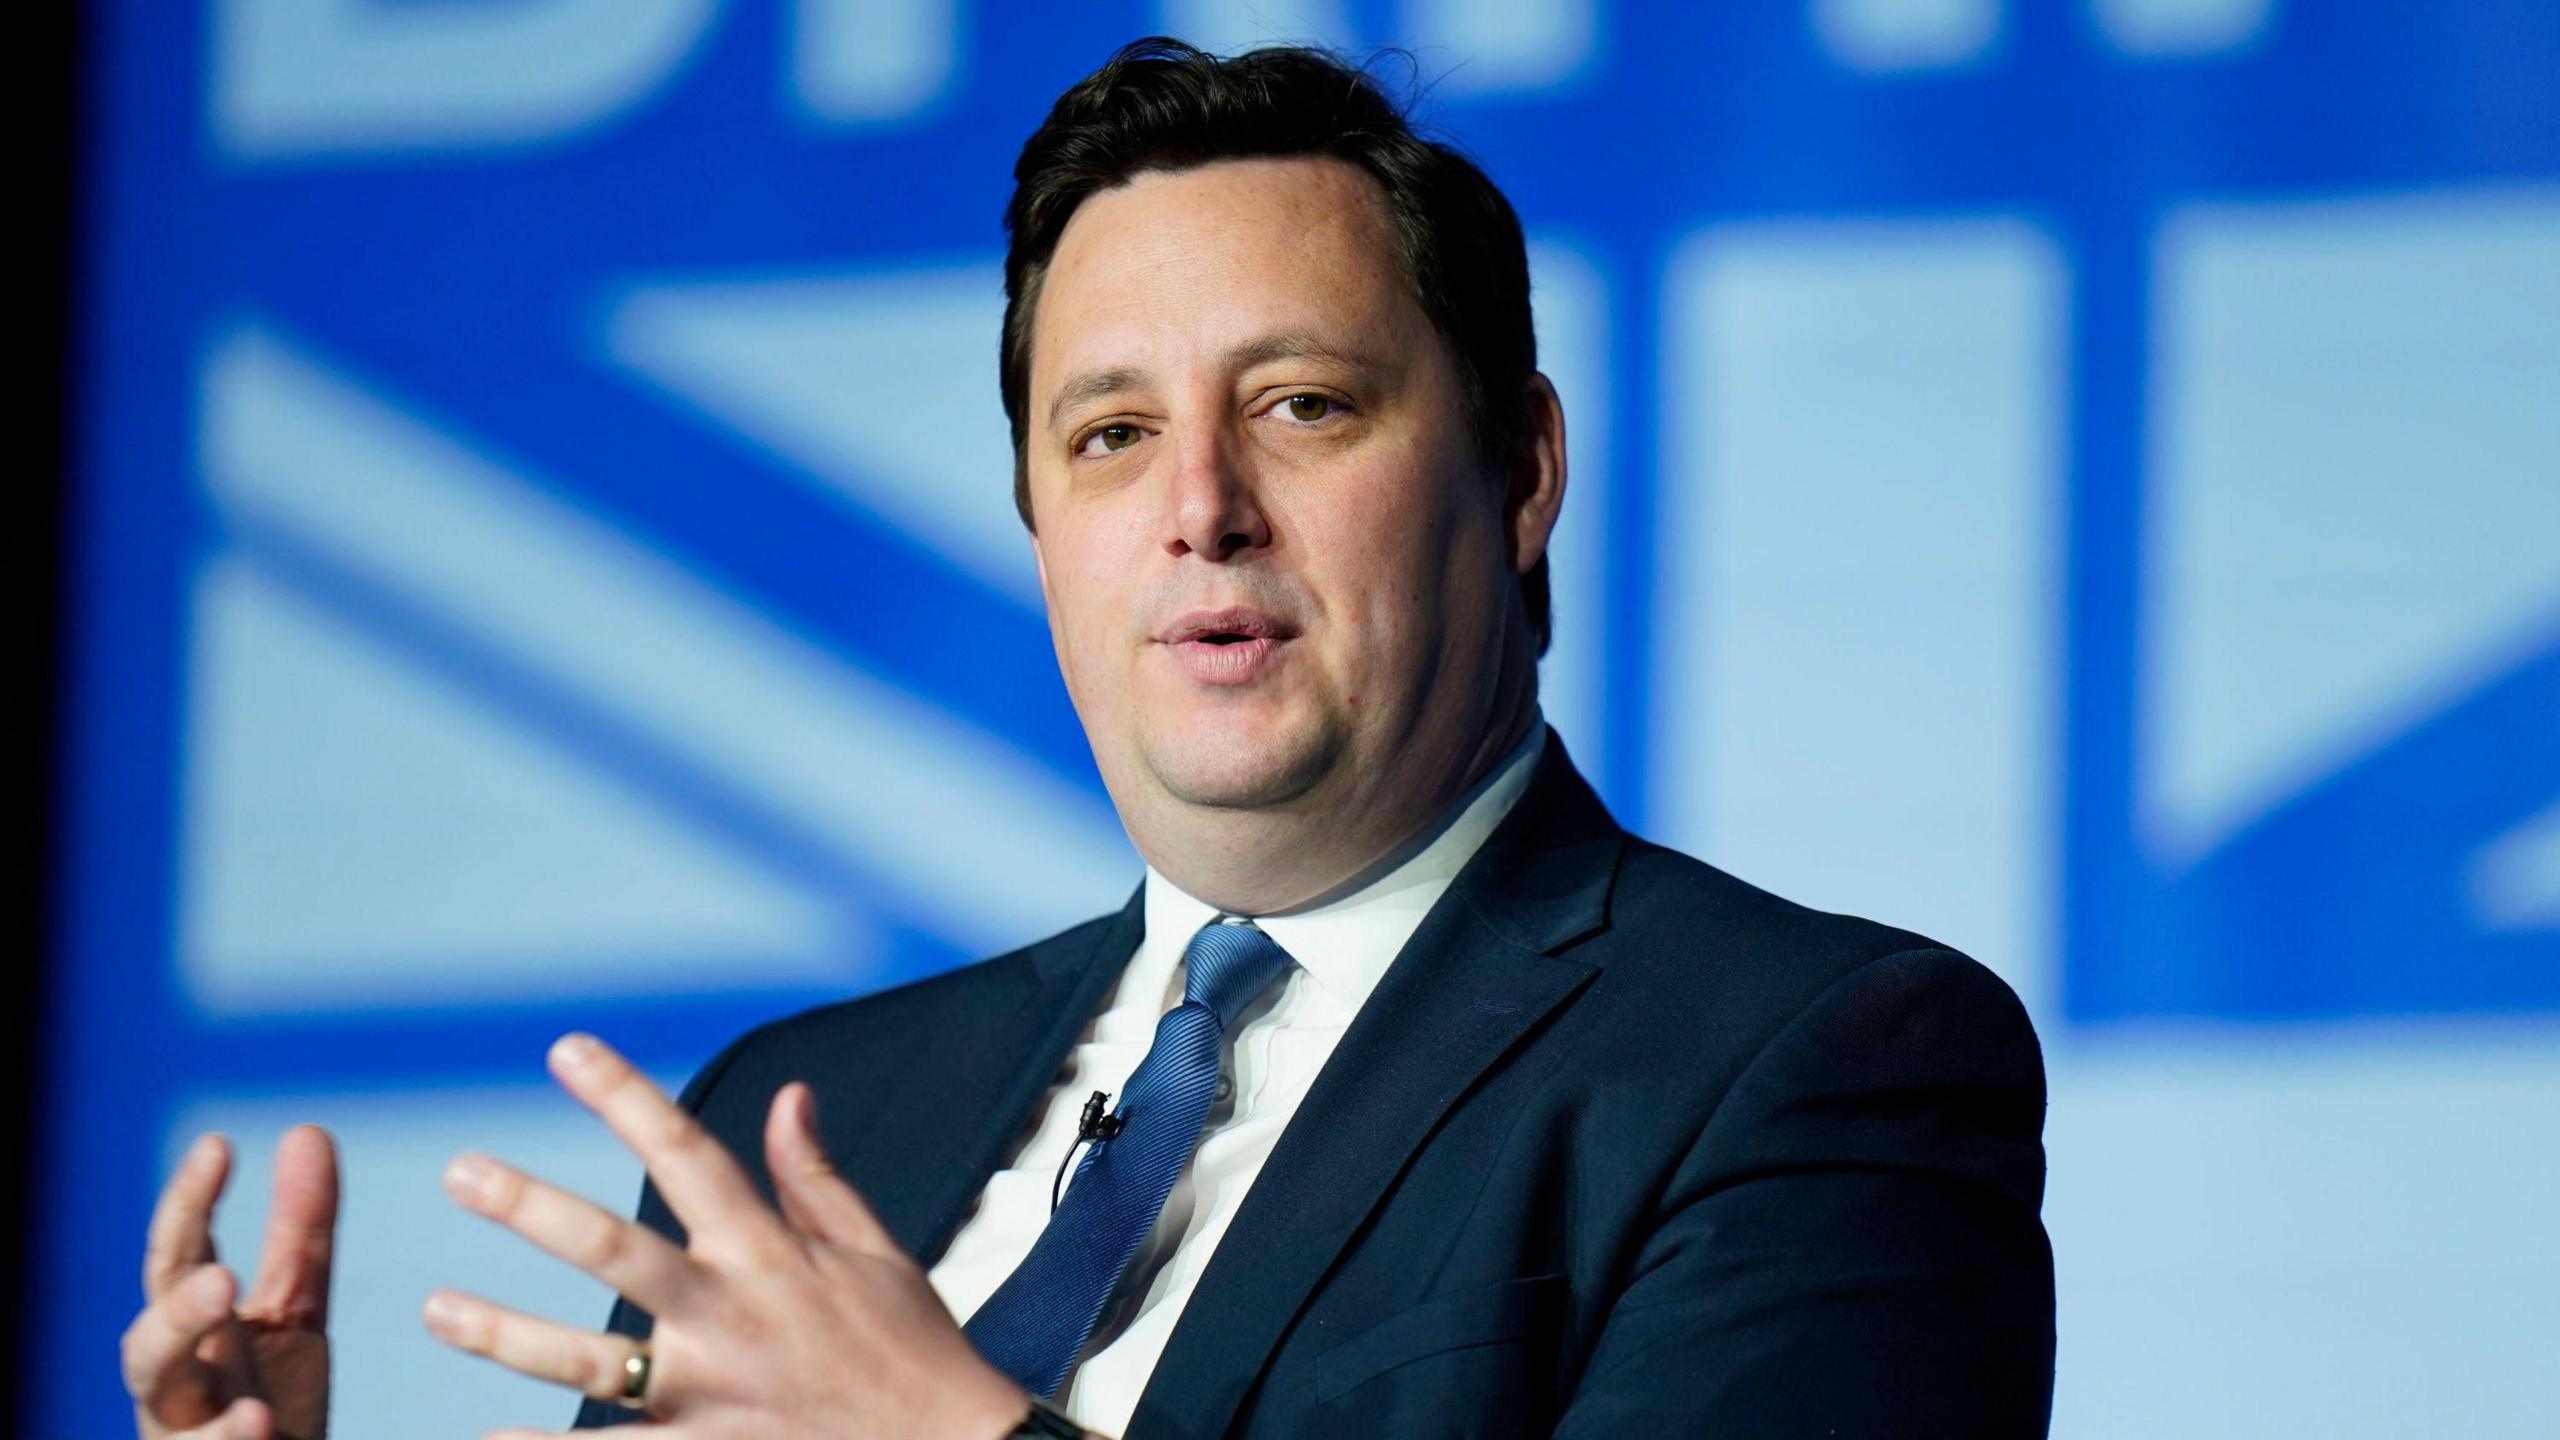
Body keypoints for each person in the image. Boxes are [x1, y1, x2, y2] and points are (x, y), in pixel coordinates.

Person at [120, 36, 2055, 1440]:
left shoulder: (1810, 1068)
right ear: (1042, 529)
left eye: (1300, 404)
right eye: (1111, 435)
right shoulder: (803, 1120)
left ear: (1520, 469)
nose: (1199, 504)